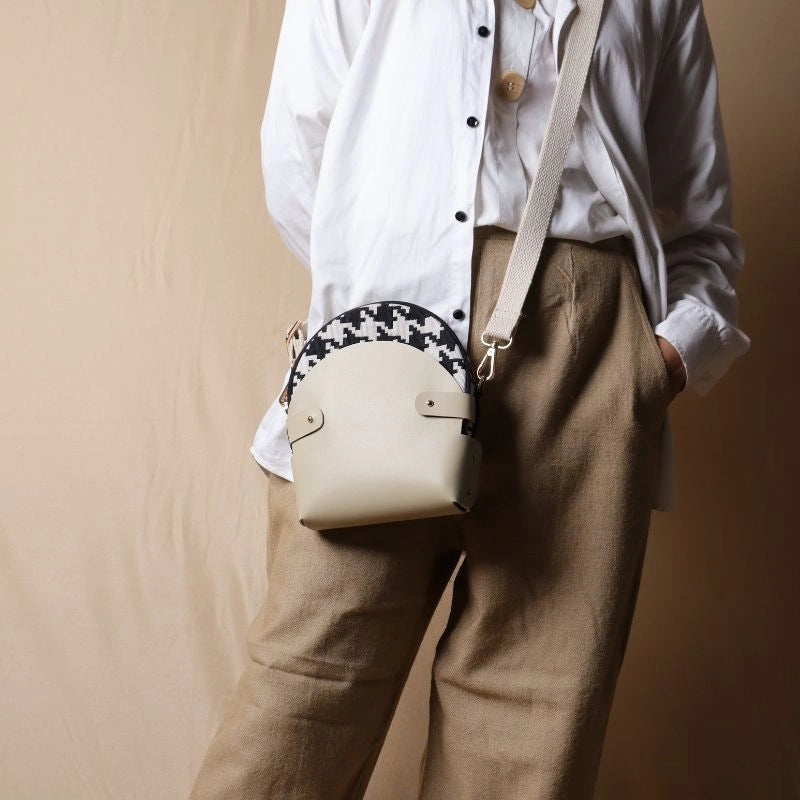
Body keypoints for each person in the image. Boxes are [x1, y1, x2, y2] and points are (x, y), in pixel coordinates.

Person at [189, 0, 749, 798]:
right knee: (301, 698)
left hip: (587, 360)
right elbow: (299, 156)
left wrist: (660, 361)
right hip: (387, 349)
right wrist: (380, 296)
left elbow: (698, 214)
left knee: (532, 727)